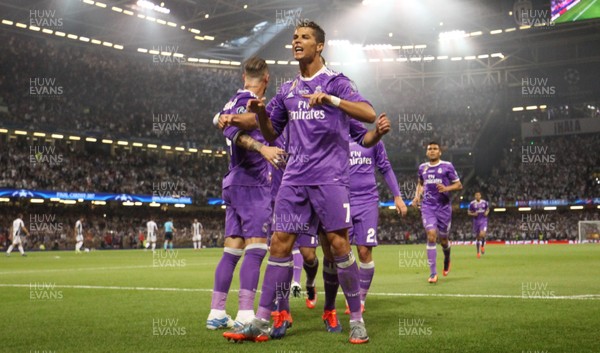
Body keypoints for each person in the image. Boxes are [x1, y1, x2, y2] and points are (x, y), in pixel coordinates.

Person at [223, 20, 389, 344]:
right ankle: (262, 319)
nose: (297, 41)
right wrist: (260, 114)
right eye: (295, 37)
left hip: (330, 180)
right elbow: (271, 133)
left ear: (319, 45)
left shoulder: (337, 83)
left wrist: (330, 100)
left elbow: (368, 113)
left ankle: (355, 319)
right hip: (294, 179)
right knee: (279, 244)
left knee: (340, 246)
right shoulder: (287, 90)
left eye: (305, 37)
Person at [206, 57, 284, 330]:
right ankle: (245, 313)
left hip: (234, 182)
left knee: (231, 250)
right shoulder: (248, 101)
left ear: (243, 76)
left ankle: (216, 312)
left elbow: (230, 126)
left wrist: (223, 117)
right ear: (267, 79)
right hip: (252, 182)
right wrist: (263, 149)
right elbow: (248, 123)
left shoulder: (230, 104)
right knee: (257, 249)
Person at [338, 140, 408, 314]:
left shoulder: (373, 140)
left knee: (364, 252)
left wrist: (397, 196)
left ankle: (360, 299)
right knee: (342, 252)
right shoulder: (337, 138)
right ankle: (351, 293)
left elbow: (385, 167)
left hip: (367, 201)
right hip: (342, 199)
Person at [412, 142, 462, 283]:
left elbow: (459, 185)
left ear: (440, 152)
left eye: (435, 149)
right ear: (427, 152)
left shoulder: (447, 166)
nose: (432, 151)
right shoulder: (423, 168)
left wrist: (447, 188)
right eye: (429, 149)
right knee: (431, 235)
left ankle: (447, 257)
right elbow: (420, 184)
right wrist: (417, 196)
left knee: (444, 240)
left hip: (443, 207)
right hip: (428, 207)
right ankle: (433, 273)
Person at [468, 192, 489, 258]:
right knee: (477, 237)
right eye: (476, 195)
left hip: (483, 220)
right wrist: (473, 214)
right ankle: (478, 253)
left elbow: (487, 209)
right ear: (475, 196)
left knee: (482, 234)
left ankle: (482, 246)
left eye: (479, 195)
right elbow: (468, 212)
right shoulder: (472, 203)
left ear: (480, 196)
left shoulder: (484, 202)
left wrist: (486, 213)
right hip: (476, 221)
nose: (477, 196)